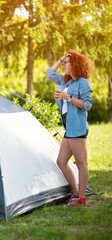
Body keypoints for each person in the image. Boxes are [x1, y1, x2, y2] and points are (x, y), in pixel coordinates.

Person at [46, 50, 93, 207]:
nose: (63, 65)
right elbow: (50, 73)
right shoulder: (65, 82)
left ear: (75, 64)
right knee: (61, 161)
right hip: (69, 128)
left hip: (78, 129)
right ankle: (74, 192)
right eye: (64, 62)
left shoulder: (83, 83)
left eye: (66, 63)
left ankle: (81, 199)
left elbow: (87, 105)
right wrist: (61, 59)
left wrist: (69, 98)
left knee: (81, 164)